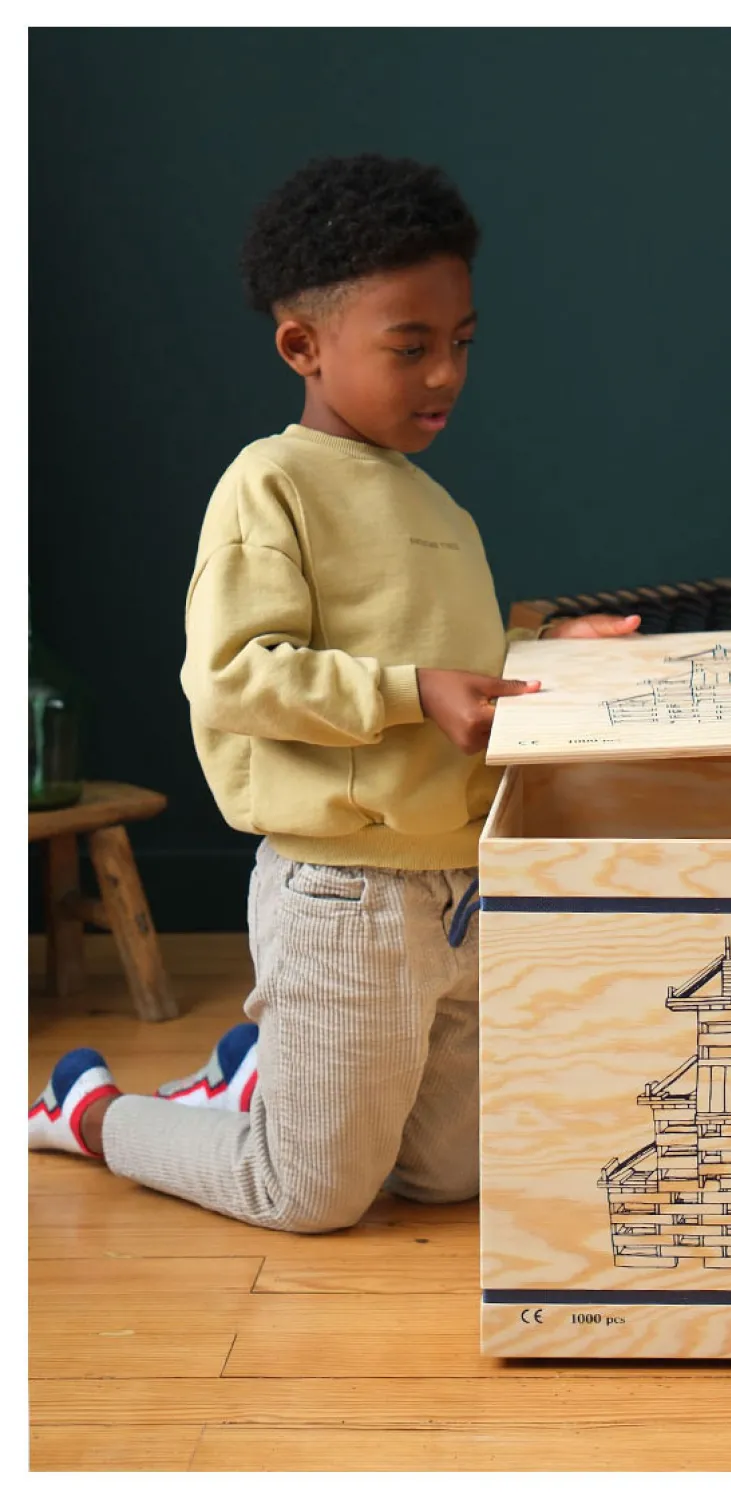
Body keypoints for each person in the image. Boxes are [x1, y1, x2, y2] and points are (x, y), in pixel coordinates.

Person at [29, 154, 637, 1232]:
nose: (446, 374)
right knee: (307, 1195)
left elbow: (437, 657)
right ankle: (91, 1110)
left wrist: (545, 642)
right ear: (302, 347)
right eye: (411, 346)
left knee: (447, 1176)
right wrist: (412, 691)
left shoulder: (440, 508)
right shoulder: (271, 483)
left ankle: (262, 1073)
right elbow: (232, 673)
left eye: (462, 343)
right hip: (345, 890)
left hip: (462, 887)